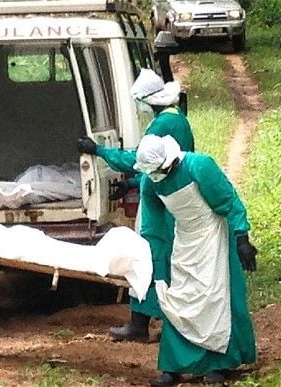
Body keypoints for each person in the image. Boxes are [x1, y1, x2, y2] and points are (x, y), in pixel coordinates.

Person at [77, 68, 194, 342]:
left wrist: (99, 150)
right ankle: (151, 321)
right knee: (160, 257)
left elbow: (138, 159)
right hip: (167, 194)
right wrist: (132, 185)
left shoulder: (163, 124)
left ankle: (142, 324)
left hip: (159, 202)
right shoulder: (177, 119)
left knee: (148, 257)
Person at [133, 134, 257, 387]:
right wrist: (156, 264)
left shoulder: (199, 166)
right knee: (179, 298)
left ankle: (219, 363)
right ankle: (173, 366)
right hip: (185, 240)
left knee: (216, 299)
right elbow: (153, 226)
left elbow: (229, 201)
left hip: (213, 235)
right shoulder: (150, 182)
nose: (157, 176)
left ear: (171, 161)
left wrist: (241, 237)